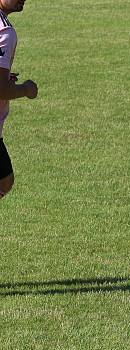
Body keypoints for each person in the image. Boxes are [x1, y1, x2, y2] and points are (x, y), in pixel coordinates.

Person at [0, 0, 38, 200]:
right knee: (4, 180)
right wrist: (26, 89)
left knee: (5, 180)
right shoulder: (5, 32)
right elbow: (1, 90)